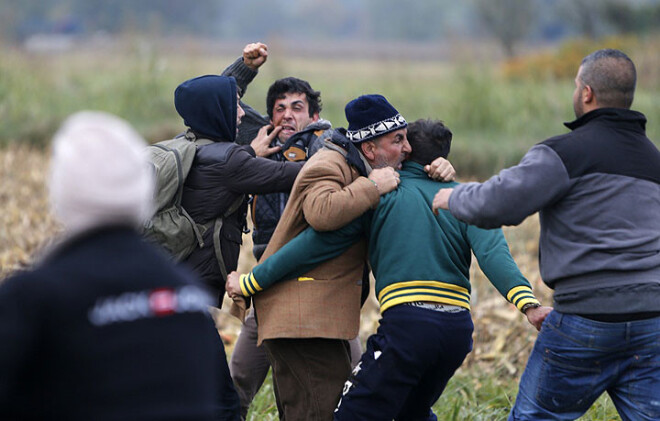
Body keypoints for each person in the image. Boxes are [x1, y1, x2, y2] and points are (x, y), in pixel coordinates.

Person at [227, 118, 550, 420]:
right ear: (441, 158)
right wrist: (529, 305)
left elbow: (310, 247)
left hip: (408, 327)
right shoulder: (465, 197)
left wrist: (251, 282)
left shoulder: (380, 198)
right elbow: (495, 255)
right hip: (456, 333)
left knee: (355, 412)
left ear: (406, 151)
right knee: (412, 411)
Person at [221, 44, 457, 418]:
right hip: (297, 312)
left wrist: (440, 165)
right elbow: (321, 217)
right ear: (369, 146)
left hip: (317, 314)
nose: (407, 149)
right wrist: (372, 187)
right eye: (398, 141)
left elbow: (409, 164)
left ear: (314, 115)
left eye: (297, 107)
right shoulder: (329, 162)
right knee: (265, 392)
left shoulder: (352, 159)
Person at [433, 49, 660, 420]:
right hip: (653, 322)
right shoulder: (654, 161)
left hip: (587, 317)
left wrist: (454, 196)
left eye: (575, 86)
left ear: (586, 93)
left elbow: (501, 203)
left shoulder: (565, 153)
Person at [0, 111, 240, 420]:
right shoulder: (187, 294)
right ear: (142, 193)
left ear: (61, 195)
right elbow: (224, 405)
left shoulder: (33, 299)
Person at [173, 72, 304, 307]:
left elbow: (204, 95)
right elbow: (289, 175)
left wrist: (251, 154)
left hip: (174, 270)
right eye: (235, 105)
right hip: (198, 280)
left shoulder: (183, 143)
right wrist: (342, 157)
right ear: (217, 111)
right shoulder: (230, 160)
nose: (242, 113)